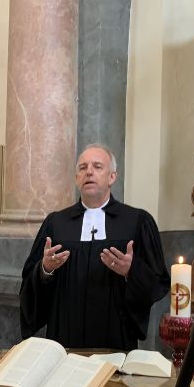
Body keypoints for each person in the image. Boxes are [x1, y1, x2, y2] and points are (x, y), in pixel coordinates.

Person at [19, 144, 170, 350]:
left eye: (97, 167)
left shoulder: (137, 221)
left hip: (115, 336)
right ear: (76, 179)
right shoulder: (56, 223)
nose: (89, 172)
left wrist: (131, 271)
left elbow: (158, 281)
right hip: (65, 336)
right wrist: (45, 269)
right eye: (83, 168)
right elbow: (29, 281)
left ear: (112, 177)